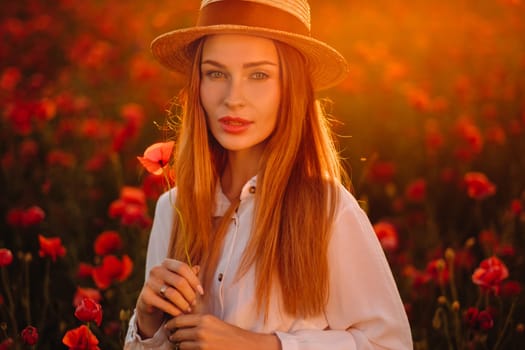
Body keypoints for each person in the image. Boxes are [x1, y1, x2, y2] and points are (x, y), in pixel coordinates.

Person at [125, 0, 413, 349]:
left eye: (258, 75)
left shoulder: (328, 211)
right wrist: (145, 324)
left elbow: (389, 344)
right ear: (197, 84)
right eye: (216, 73)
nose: (234, 98)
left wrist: (262, 345)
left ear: (290, 87)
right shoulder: (174, 209)